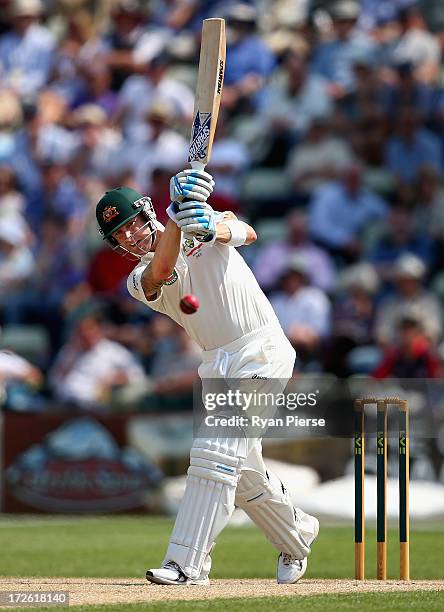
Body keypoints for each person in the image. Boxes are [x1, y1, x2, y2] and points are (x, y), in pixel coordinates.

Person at [95, 170, 319, 585]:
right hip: (217, 364)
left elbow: (246, 232)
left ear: (147, 214)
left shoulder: (197, 220)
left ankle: (187, 564)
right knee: (245, 472)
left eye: (131, 224)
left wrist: (209, 223)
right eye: (119, 234)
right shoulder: (138, 279)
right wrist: (181, 224)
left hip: (262, 350)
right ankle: (298, 536)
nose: (129, 236)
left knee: (213, 452)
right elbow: (162, 270)